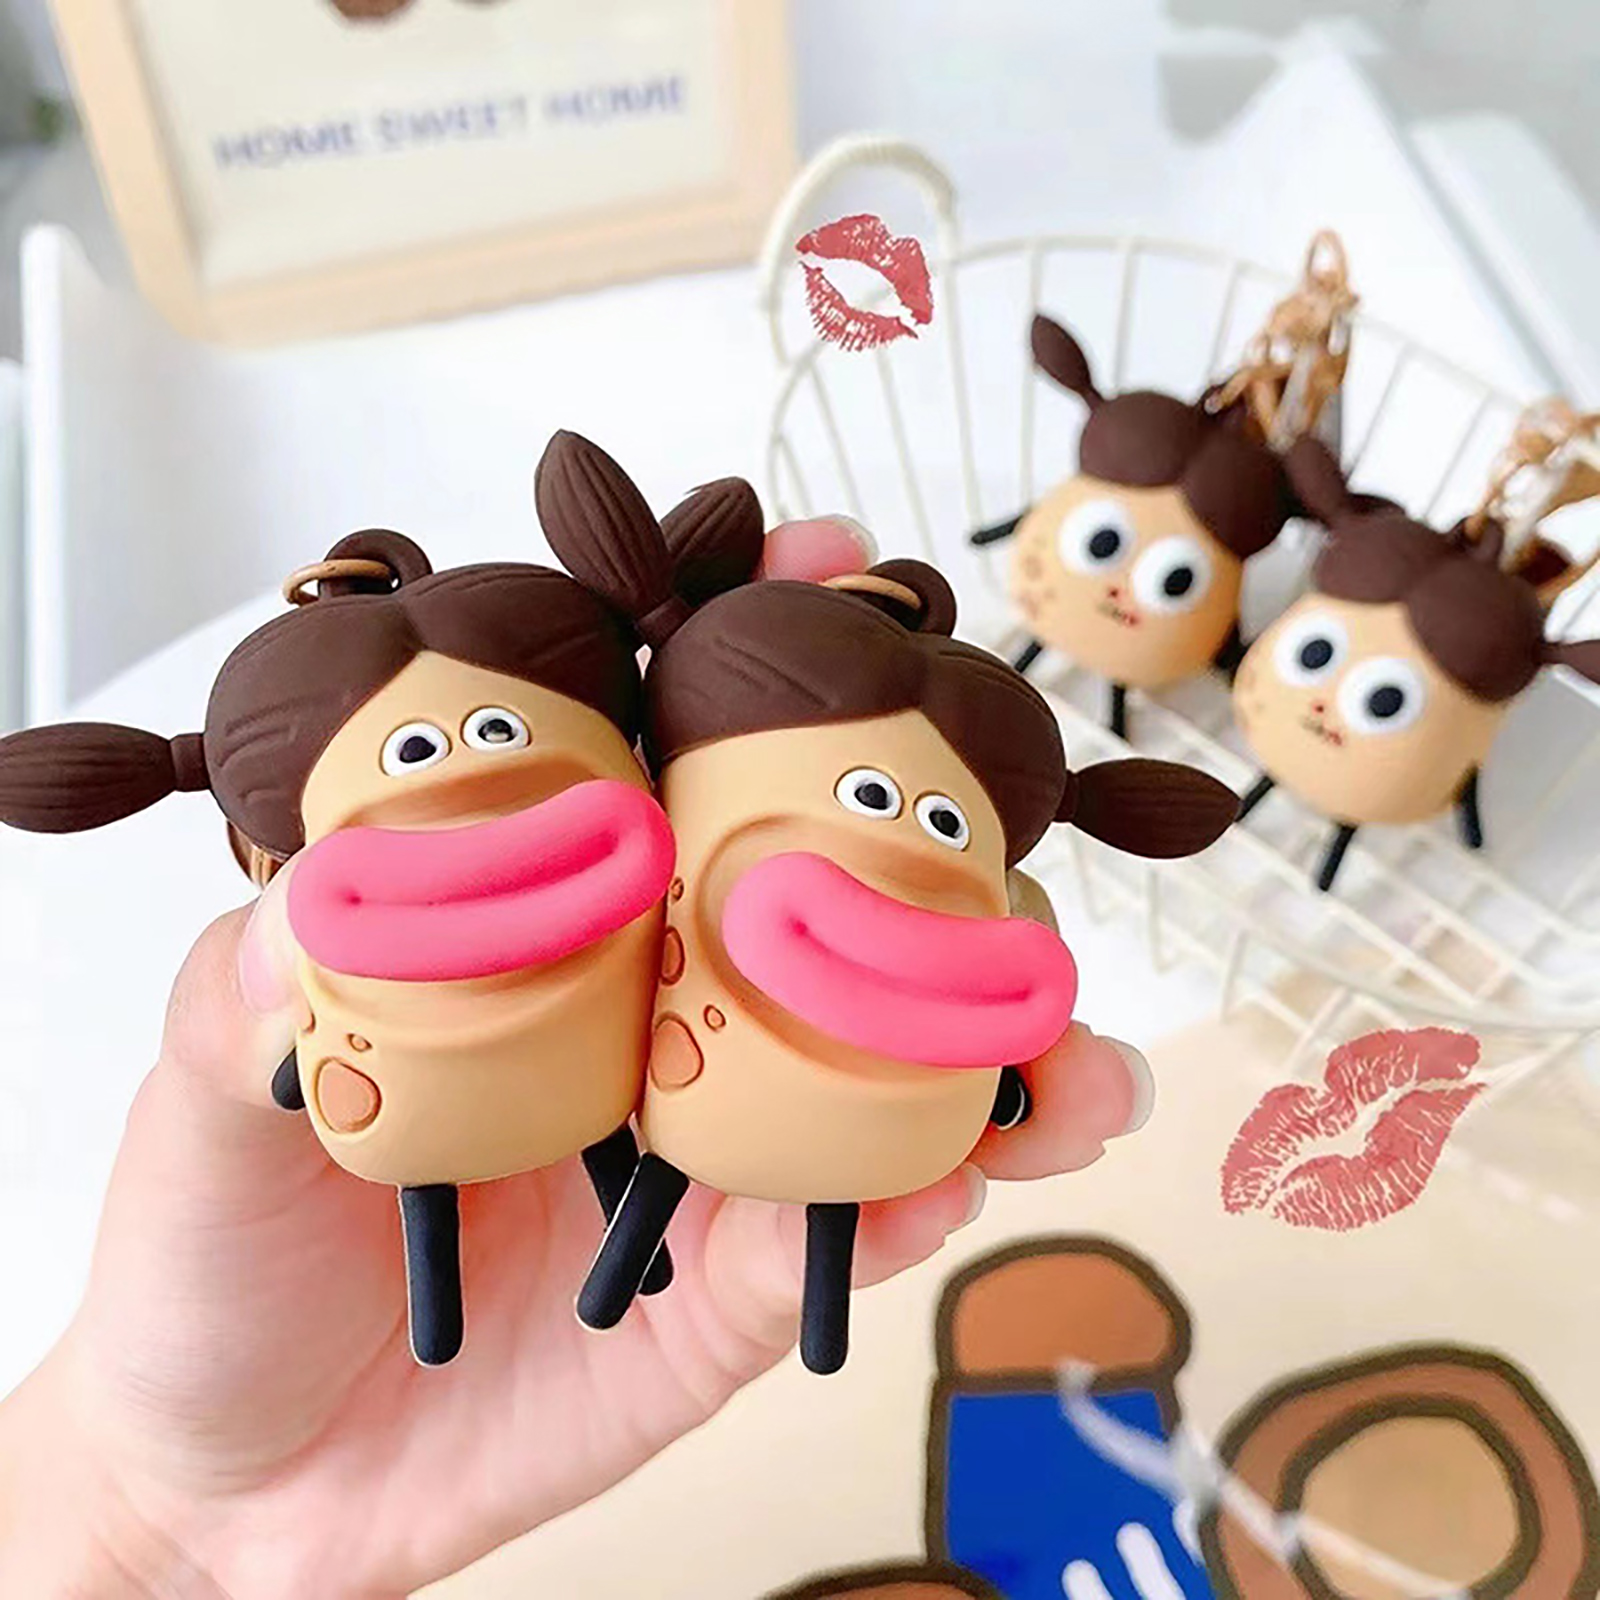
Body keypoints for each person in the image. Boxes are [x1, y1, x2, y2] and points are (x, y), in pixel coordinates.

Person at [0, 526, 1149, 1599]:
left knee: (767, 1185)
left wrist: (157, 1524)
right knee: (475, 1179)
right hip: (443, 1081)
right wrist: (149, 1512)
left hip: (754, 1090)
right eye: (417, 750)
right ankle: (594, 1255)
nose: (465, 774)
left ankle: (652, 1257)